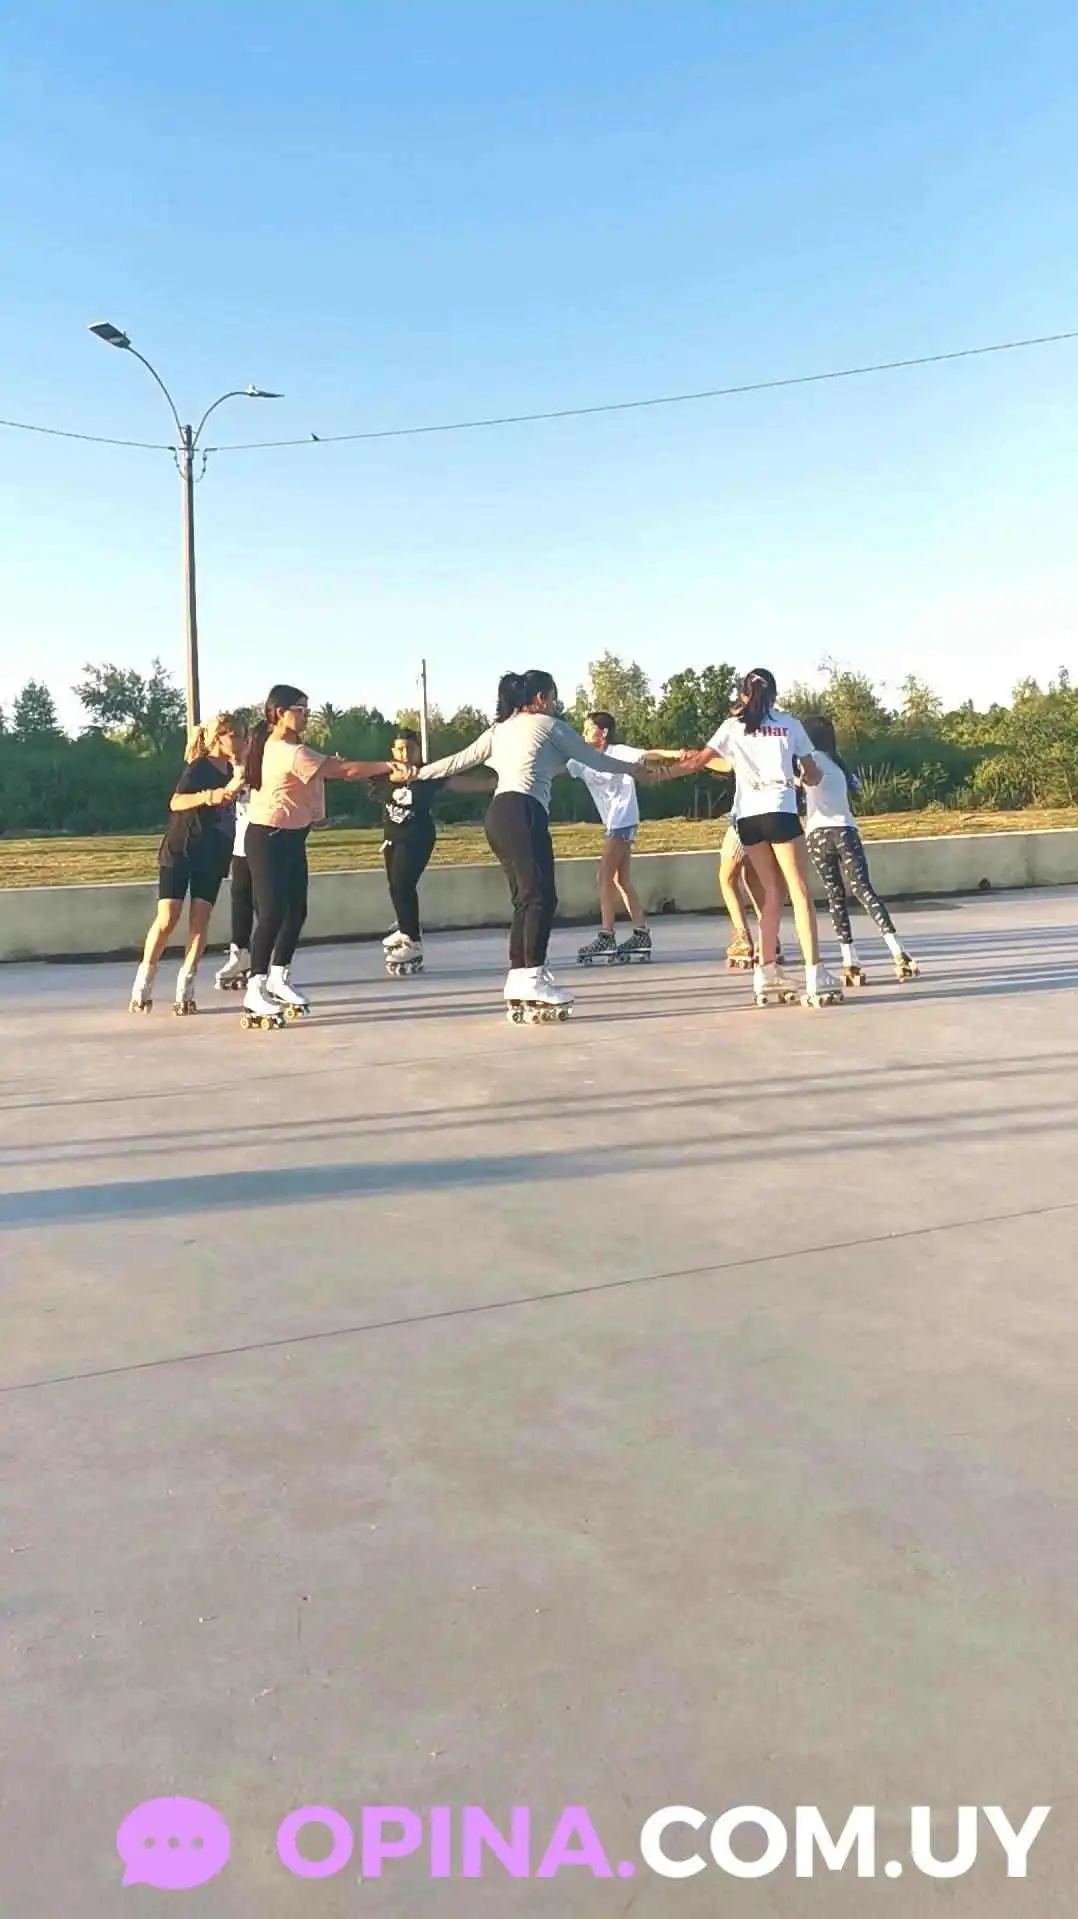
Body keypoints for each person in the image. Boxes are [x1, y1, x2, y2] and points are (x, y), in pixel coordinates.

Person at [408, 669, 656, 1020]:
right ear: (541, 697)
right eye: (552, 697)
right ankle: (533, 976)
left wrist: (416, 773)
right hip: (524, 811)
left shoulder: (499, 730)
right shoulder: (549, 726)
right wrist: (634, 769)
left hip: (498, 815)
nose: (554, 704)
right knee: (540, 897)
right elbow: (595, 758)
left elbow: (457, 761)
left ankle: (519, 976)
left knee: (524, 899)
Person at [680, 668, 843, 1007]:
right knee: (798, 890)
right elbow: (812, 773)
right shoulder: (790, 725)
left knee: (772, 893)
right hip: (780, 811)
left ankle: (765, 971)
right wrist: (805, 778)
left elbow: (698, 762)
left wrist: (665, 764)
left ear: (743, 695)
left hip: (747, 819)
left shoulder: (731, 726)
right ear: (775, 695)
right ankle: (815, 972)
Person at [242, 686, 394, 1027]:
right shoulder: (288, 751)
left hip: (291, 838)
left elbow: (332, 767)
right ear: (279, 712)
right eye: (300, 710)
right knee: (271, 914)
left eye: (307, 710)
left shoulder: (288, 747)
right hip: (268, 839)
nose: (306, 716)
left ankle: (278, 977)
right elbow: (345, 771)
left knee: (296, 911)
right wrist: (386, 765)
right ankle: (255, 987)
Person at [129, 714, 247, 1015]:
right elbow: (176, 802)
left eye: (243, 735)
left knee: (199, 920)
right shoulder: (200, 768)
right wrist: (210, 796)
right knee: (168, 918)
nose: (240, 741)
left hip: (214, 852)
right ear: (218, 738)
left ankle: (186, 987)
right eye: (234, 735)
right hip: (181, 847)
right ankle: (144, 983)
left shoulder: (239, 771)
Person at [802, 715, 919, 985]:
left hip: (817, 834)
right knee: (864, 891)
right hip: (845, 830)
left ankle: (850, 959)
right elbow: (856, 786)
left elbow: (799, 786)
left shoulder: (807, 761)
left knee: (835, 895)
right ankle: (898, 950)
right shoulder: (839, 763)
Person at [567, 711, 683, 965]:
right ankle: (641, 934)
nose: (583, 733)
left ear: (603, 732)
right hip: (615, 823)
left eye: (588, 729)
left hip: (623, 820)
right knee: (621, 879)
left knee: (603, 877)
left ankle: (607, 936)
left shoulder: (619, 752)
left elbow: (649, 754)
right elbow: (556, 764)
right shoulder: (582, 760)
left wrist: (677, 754)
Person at [376, 727, 491, 975]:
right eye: (400, 749)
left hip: (418, 838)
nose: (405, 754)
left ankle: (412, 940)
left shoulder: (429, 774)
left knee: (403, 884)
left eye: (410, 749)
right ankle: (406, 929)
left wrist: (498, 782)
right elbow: (351, 772)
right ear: (392, 751)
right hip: (392, 840)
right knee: (396, 887)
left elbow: (462, 783)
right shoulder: (382, 774)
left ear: (419, 751)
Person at [214, 756, 253, 992]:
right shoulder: (234, 768)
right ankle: (239, 955)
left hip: (266, 841)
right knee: (240, 900)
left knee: (268, 905)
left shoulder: (268, 762)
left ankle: (271, 964)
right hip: (241, 844)